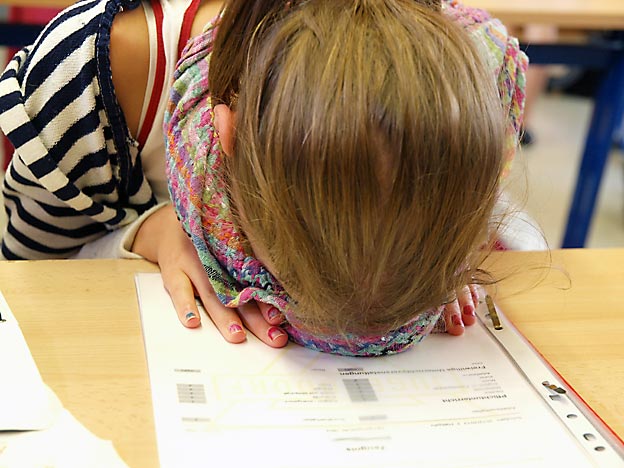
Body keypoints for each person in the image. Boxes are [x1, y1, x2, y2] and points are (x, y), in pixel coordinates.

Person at [0, 0, 527, 356]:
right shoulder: (91, 78)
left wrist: (438, 257)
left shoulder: (475, 75)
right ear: (225, 139)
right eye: (285, 284)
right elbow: (22, 278)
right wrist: (140, 234)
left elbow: (510, 222)